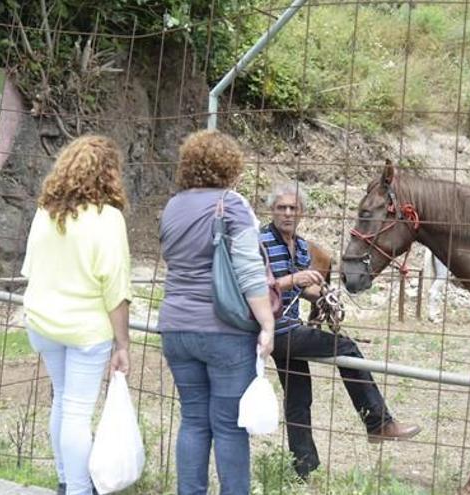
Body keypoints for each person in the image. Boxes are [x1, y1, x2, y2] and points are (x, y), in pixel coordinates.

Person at [262, 182, 422, 479]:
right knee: (346, 347)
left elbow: (298, 291)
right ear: (271, 210)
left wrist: (319, 295)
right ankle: (379, 423)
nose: (286, 213)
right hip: (273, 329)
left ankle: (304, 469)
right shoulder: (259, 242)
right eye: (281, 208)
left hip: (288, 327)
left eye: (292, 208)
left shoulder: (299, 245)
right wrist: (294, 280)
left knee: (299, 396)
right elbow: (254, 288)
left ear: (302, 213)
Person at [157, 130, 275, 495]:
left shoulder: (172, 206)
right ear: (231, 166)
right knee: (228, 425)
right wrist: (267, 323)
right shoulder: (231, 204)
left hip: (176, 327)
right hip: (223, 330)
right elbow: (249, 270)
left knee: (193, 420)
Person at [21, 135, 132, 495]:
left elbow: (29, 269)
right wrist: (123, 343)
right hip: (85, 329)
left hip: (42, 322)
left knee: (63, 400)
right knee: (77, 411)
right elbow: (115, 289)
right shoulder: (108, 218)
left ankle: (66, 479)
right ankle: (80, 489)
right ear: (108, 174)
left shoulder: (44, 212)